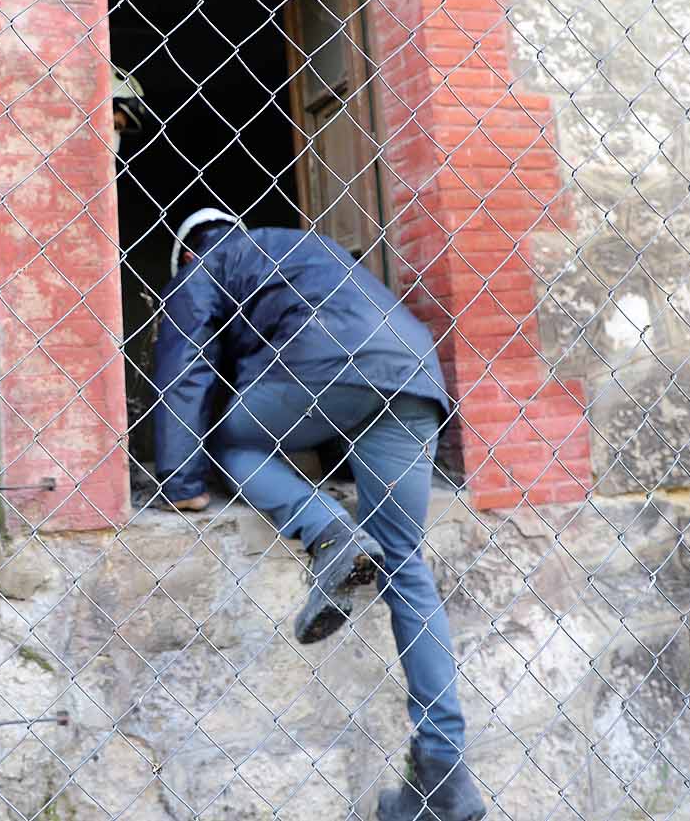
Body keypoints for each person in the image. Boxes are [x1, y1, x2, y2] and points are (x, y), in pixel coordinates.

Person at [151, 207, 485, 821]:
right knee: (406, 568)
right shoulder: (310, 249)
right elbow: (346, 336)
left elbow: (187, 366)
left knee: (231, 441)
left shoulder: (205, 265)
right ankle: (446, 777)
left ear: (187, 252)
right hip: (413, 371)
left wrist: (181, 478)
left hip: (330, 361)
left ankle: (329, 532)